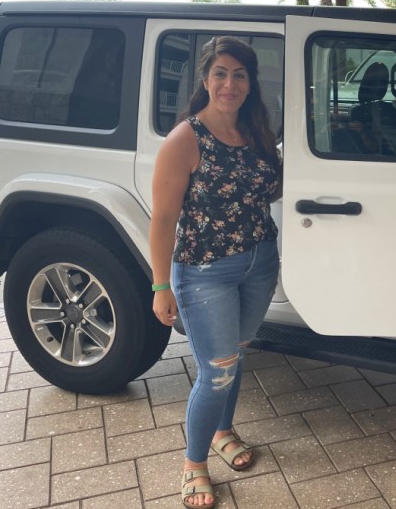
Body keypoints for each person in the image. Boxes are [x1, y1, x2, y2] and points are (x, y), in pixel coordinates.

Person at [149, 36, 281, 509]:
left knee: (236, 356)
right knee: (217, 370)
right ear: (205, 80)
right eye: (221, 73)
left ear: (250, 83)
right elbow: (163, 220)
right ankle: (194, 464)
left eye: (239, 74)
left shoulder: (257, 131)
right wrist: (160, 286)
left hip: (259, 263)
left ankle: (224, 432)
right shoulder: (186, 138)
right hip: (205, 273)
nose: (230, 83)